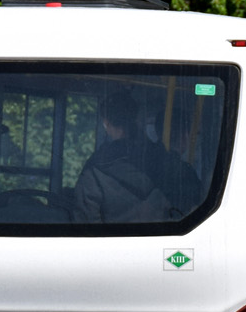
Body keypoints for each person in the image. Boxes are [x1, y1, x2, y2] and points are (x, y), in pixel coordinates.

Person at [73, 90, 202, 223]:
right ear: (136, 120)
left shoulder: (94, 170)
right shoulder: (171, 165)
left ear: (106, 123)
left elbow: (86, 224)